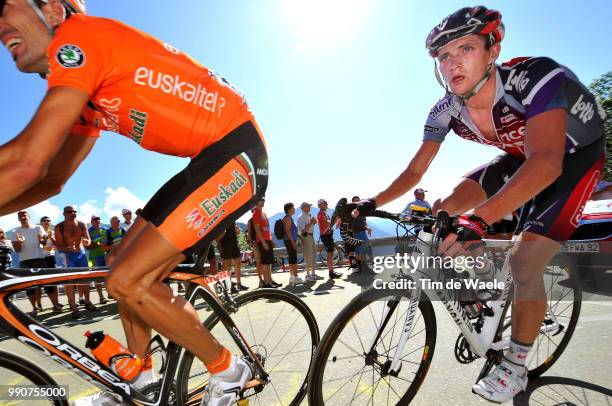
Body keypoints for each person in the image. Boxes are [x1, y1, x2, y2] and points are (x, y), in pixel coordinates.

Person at [0, 2, 268, 404]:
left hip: (238, 152)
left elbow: (27, 161)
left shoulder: (80, 39)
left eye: (5, 7)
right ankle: (140, 378)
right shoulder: (85, 92)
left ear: (54, 10)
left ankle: (228, 370)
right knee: (122, 263)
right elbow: (52, 178)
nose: (1, 26)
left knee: (128, 279)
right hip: (206, 158)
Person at [357, 6, 605, 403]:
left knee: (526, 261)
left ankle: (516, 364)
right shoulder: (445, 109)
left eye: (465, 48)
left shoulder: (535, 77)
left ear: (493, 50)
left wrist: (480, 219)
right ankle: (482, 292)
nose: (452, 62)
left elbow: (546, 162)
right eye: (444, 56)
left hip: (572, 157)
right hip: (521, 155)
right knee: (442, 210)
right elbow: (413, 173)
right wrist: (369, 202)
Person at [9, 210, 59, 315]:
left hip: (40, 259)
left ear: (28, 217)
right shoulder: (15, 232)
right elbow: (17, 250)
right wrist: (20, 242)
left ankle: (55, 305)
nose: (23, 217)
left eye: (24, 215)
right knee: (29, 287)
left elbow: (43, 243)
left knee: (48, 283)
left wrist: (44, 239)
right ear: (18, 218)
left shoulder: (38, 228)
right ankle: (35, 308)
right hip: (24, 261)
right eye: (20, 216)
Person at [54, 206, 98, 319]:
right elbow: (58, 245)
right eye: (69, 212)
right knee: (70, 282)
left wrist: (86, 242)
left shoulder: (82, 224)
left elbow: (88, 241)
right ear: (64, 214)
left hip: (81, 254)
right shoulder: (59, 227)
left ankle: (87, 302)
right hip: (67, 255)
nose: (72, 213)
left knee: (85, 279)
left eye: (74, 211)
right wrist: (68, 248)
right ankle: (73, 308)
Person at [251, 198, 280, 288]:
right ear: (256, 201)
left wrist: (271, 240)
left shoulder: (264, 213)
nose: (263, 201)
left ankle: (270, 281)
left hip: (267, 239)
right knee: (265, 263)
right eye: (261, 200)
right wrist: (263, 242)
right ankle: (267, 283)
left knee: (269, 262)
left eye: (263, 200)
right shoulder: (256, 213)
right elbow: (257, 229)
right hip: (262, 240)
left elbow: (267, 229)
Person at [40, 215, 63, 312]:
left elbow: (57, 246)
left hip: (51, 257)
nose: (46, 222)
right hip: (41, 258)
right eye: (44, 220)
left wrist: (51, 238)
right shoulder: (39, 232)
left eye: (48, 221)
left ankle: (56, 302)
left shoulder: (53, 233)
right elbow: (41, 246)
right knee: (46, 282)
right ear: (41, 223)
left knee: (54, 281)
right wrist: (46, 239)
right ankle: (44, 304)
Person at [217, 222, 248, 292]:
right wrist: (223, 233)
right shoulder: (220, 221)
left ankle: (239, 284)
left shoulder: (232, 220)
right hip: (224, 245)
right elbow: (217, 238)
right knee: (227, 266)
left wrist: (237, 230)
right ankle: (229, 286)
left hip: (234, 244)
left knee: (238, 263)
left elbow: (238, 232)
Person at [317, 199, 342, 279]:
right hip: (325, 236)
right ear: (320, 205)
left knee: (330, 253)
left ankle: (331, 271)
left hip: (328, 235)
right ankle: (331, 272)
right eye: (325, 203)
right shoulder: (321, 214)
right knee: (330, 253)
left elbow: (329, 224)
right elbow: (328, 224)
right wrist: (336, 219)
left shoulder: (325, 214)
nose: (327, 205)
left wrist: (335, 219)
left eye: (326, 203)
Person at [87, 215, 109, 304]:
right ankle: (101, 297)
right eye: (95, 219)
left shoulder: (104, 229)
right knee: (98, 278)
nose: (97, 220)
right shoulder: (89, 231)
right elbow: (88, 246)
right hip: (95, 257)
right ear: (91, 221)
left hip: (106, 255)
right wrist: (98, 244)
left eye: (99, 219)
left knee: (108, 276)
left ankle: (110, 293)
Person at [297, 202, 320, 281]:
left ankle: (313, 273)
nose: (310, 208)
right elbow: (303, 230)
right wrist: (312, 222)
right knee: (308, 256)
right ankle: (308, 275)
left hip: (311, 236)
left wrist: (313, 222)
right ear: (303, 208)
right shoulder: (301, 217)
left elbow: (309, 226)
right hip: (306, 237)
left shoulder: (307, 216)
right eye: (308, 206)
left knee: (313, 255)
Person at [282, 203, 304, 286]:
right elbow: (287, 231)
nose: (294, 209)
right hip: (290, 241)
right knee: (293, 259)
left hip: (289, 241)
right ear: (289, 209)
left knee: (292, 259)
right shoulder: (287, 218)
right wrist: (293, 242)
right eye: (293, 208)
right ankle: (296, 277)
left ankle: (292, 277)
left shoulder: (288, 217)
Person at [350, 196, 372, 272]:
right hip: (358, 232)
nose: (358, 202)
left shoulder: (361, 211)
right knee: (361, 249)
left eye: (359, 201)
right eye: (356, 201)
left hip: (362, 232)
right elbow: (353, 216)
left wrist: (367, 228)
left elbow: (364, 222)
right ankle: (363, 266)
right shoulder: (353, 210)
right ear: (353, 202)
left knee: (360, 250)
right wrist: (366, 228)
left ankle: (361, 267)